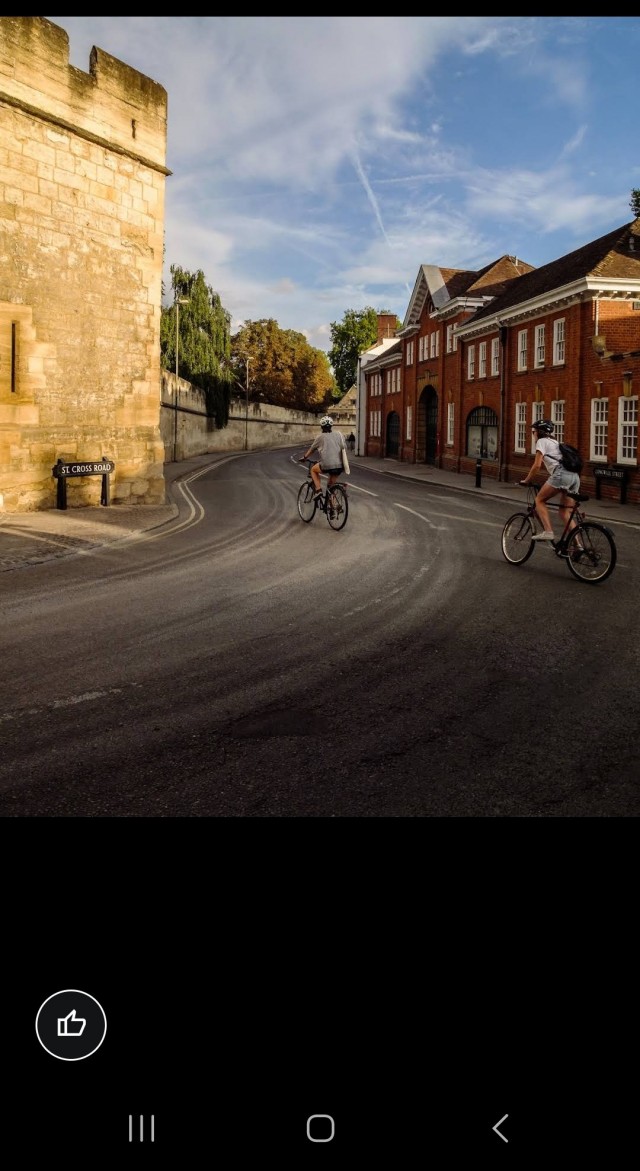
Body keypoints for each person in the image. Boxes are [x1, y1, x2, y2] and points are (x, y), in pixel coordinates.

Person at [519, 419, 581, 545]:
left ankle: (548, 531)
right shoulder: (555, 442)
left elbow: (537, 465)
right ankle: (578, 545)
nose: (533, 434)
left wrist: (526, 480)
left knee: (539, 500)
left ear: (539, 432)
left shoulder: (541, 442)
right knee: (565, 512)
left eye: (533, 431)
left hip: (561, 475)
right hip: (574, 477)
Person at [301, 415, 347, 501]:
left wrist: (304, 457)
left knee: (313, 470)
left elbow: (312, 450)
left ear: (321, 427)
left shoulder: (320, 437)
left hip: (326, 465)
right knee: (330, 487)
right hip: (339, 466)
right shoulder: (339, 435)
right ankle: (333, 509)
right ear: (331, 426)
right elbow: (344, 447)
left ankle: (318, 490)